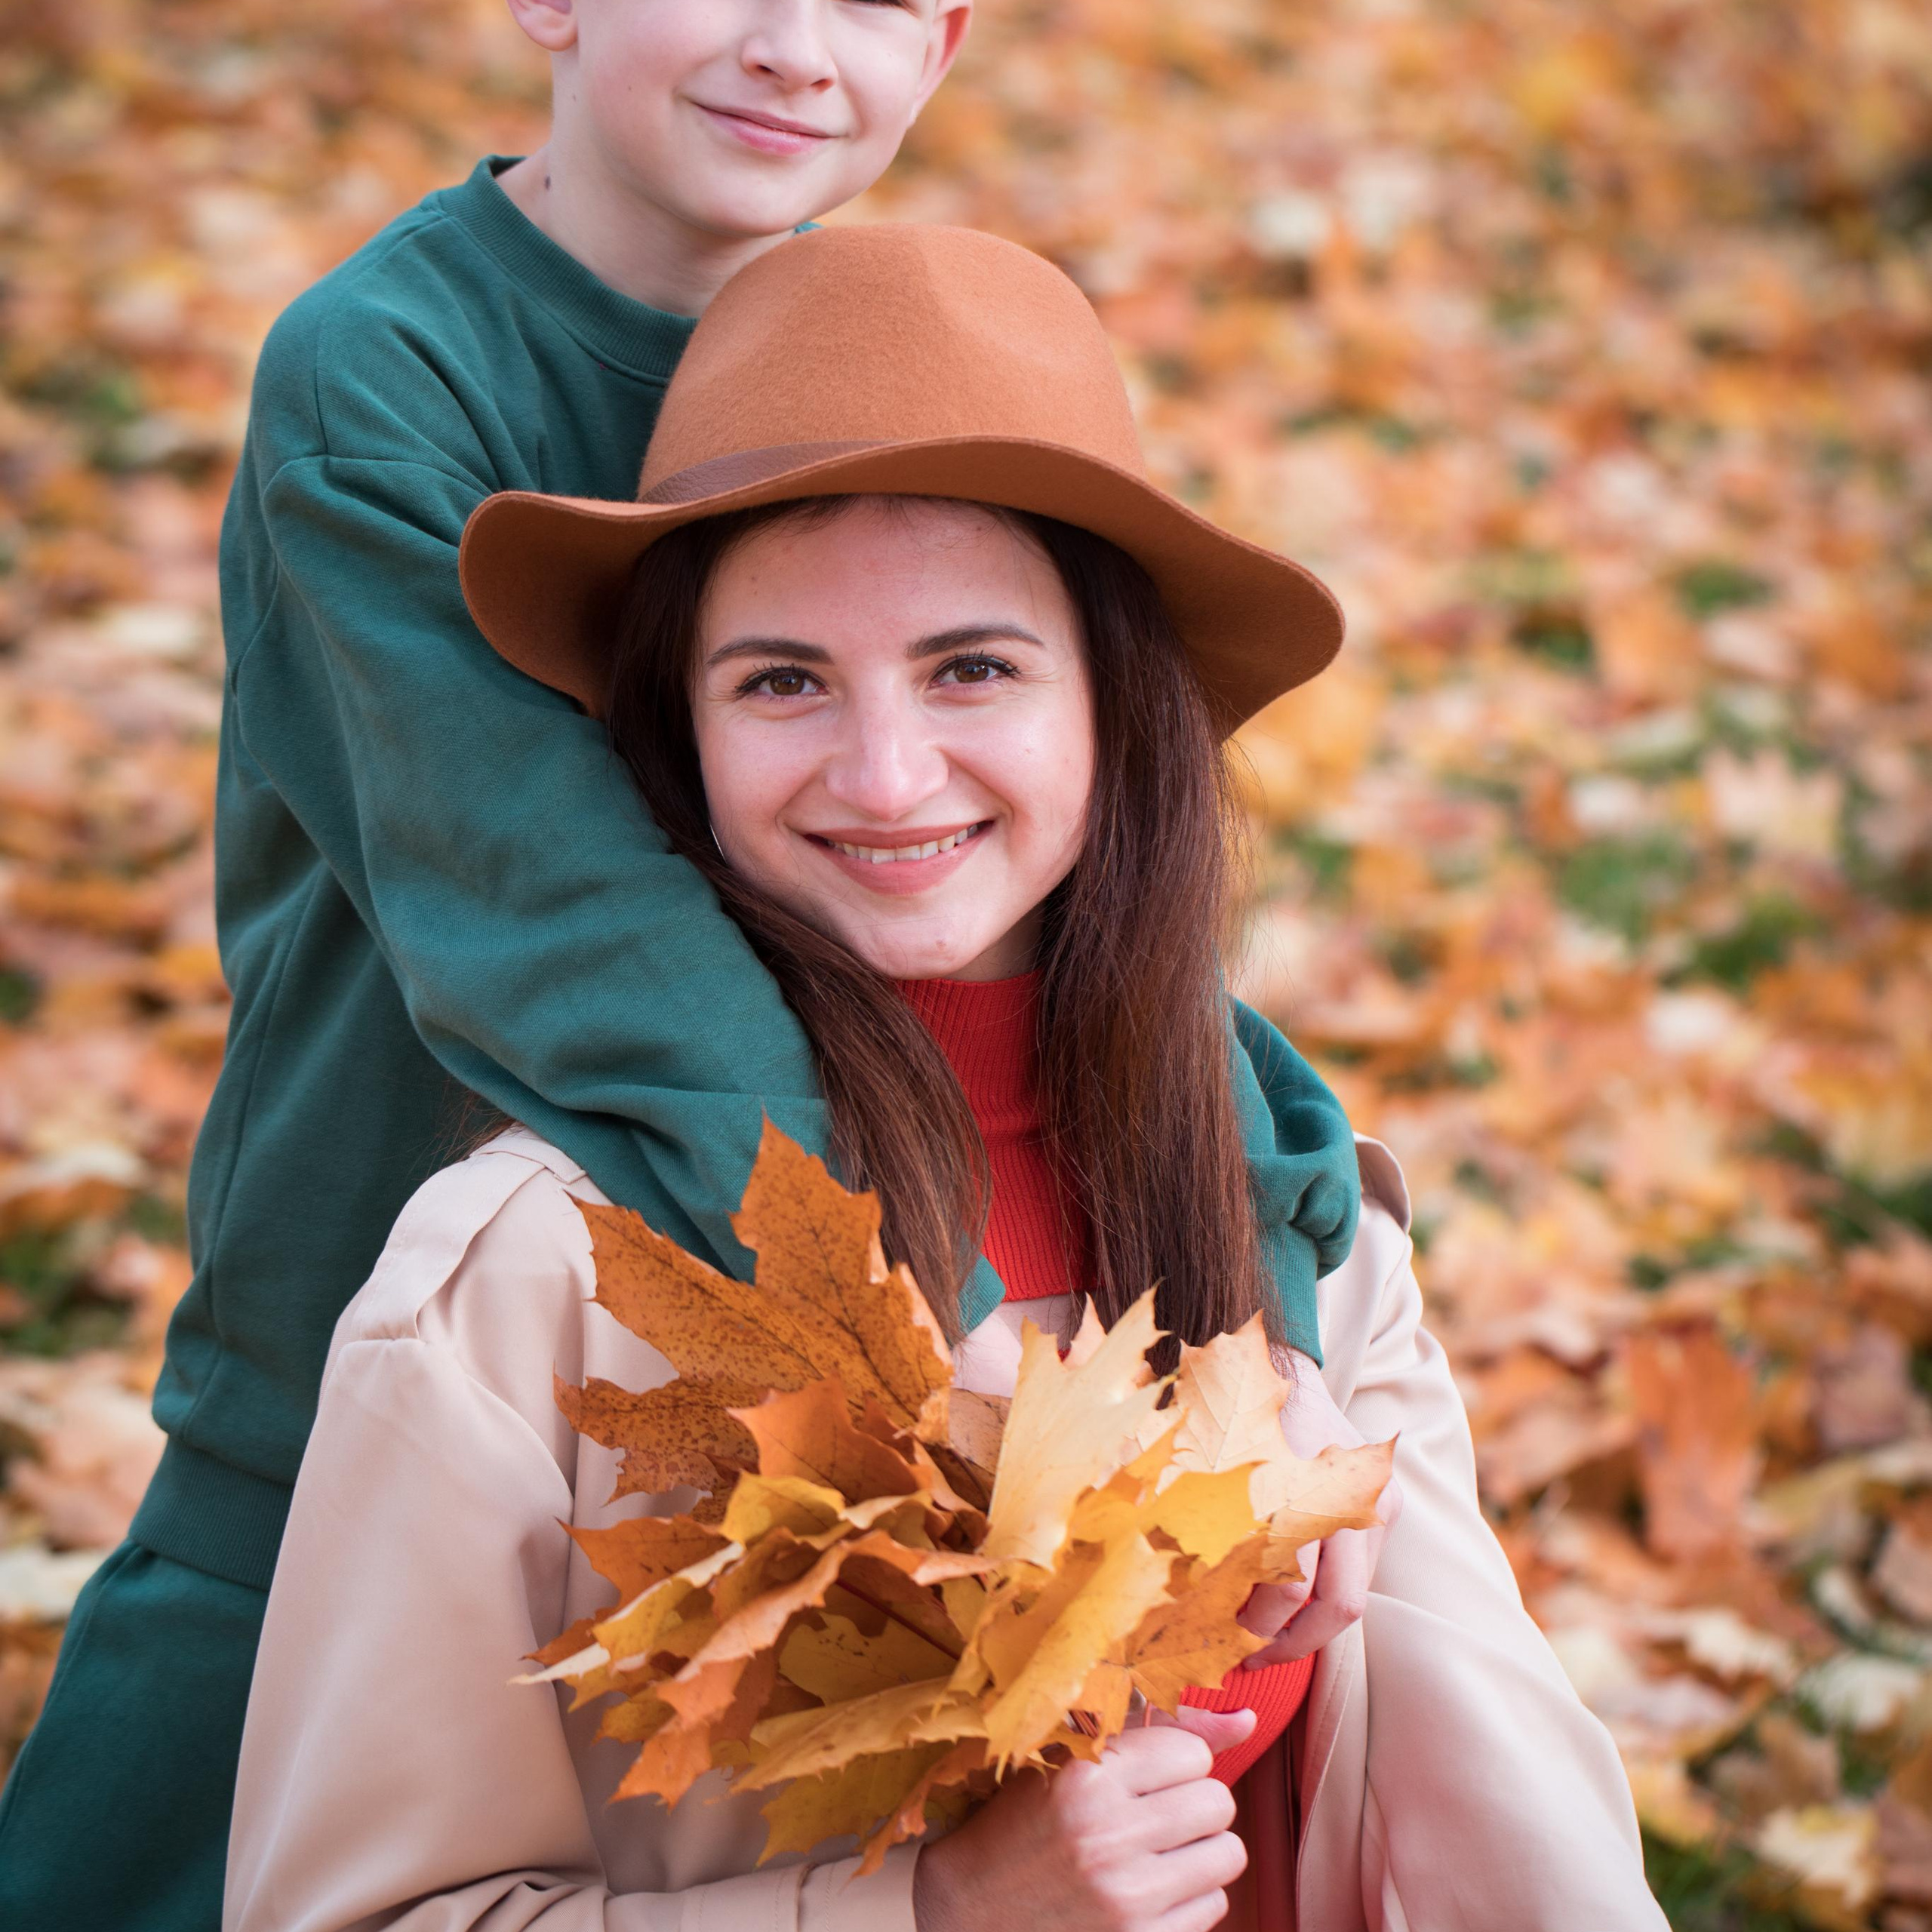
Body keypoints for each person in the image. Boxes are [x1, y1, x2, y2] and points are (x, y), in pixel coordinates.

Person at [224, 225, 1666, 1932]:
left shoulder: (1304, 1241)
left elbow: (1517, 1833)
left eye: (971, 665)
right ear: (671, 734)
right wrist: (932, 1909)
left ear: (1113, 709)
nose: (886, 769)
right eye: (780, 681)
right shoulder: (530, 1274)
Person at [0, 5, 980, 1926]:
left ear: (943, 44)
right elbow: (555, 911)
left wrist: (1247, 1178)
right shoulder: (385, 369)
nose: (794, 46)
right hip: (378, 1309)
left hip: (773, 1393)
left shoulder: (882, 375)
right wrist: (932, 1306)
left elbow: (1041, 853)